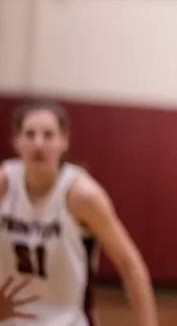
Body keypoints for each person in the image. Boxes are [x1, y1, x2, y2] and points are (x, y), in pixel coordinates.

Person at [0, 100, 158, 326]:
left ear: (64, 141)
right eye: (29, 134)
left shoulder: (82, 195)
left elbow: (130, 265)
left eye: (48, 135)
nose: (38, 143)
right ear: (16, 141)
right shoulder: (4, 185)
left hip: (68, 320)